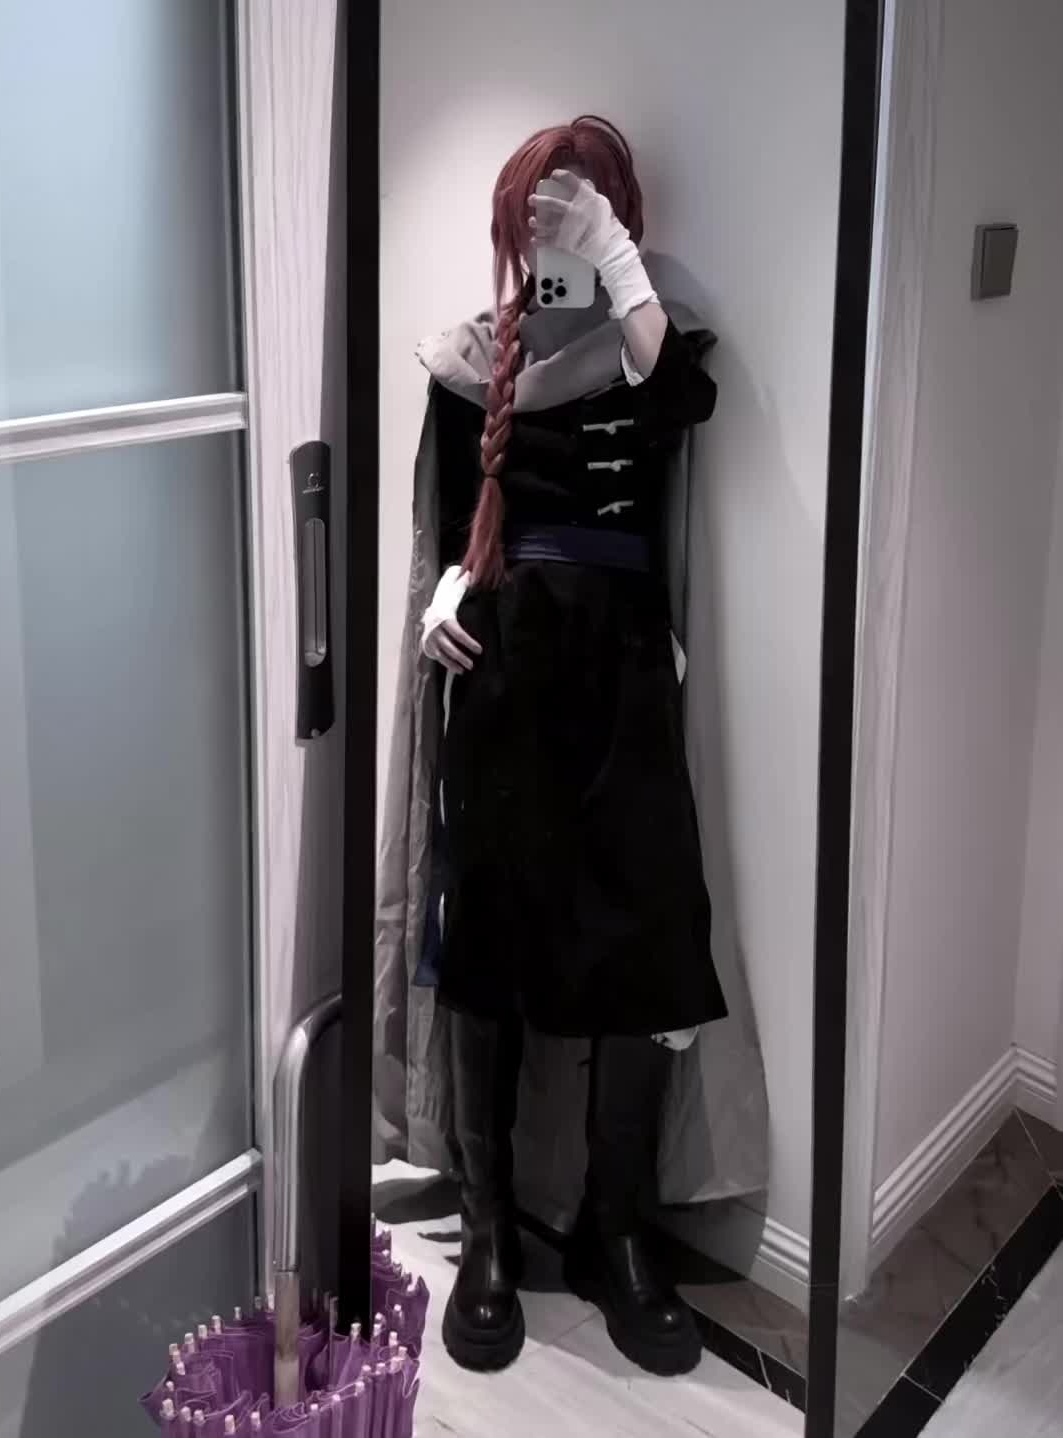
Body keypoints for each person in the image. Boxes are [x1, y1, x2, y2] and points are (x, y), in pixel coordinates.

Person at [416, 116, 726, 1377]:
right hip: (505, 673)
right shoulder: (470, 358)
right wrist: (441, 597)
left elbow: (678, 396)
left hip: (624, 677)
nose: (558, 226)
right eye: (542, 209)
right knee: (489, 940)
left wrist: (614, 257)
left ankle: (616, 1231)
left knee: (649, 938)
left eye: (582, 206)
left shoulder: (650, 344)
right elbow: (453, 520)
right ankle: (490, 1230)